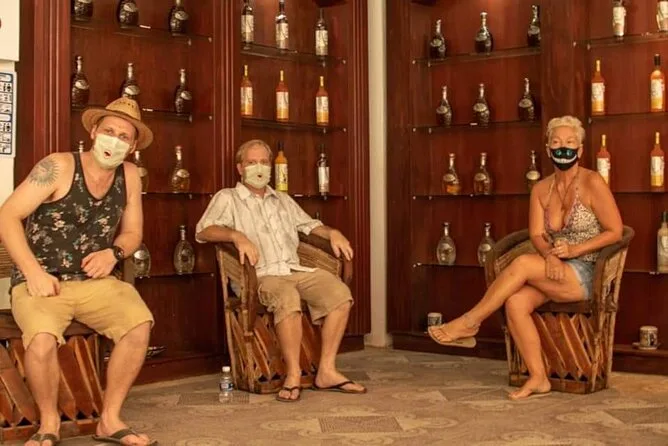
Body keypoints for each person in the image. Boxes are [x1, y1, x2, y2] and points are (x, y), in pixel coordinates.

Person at [428, 115, 623, 400]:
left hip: (586, 271)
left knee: (521, 263)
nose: (563, 148)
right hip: (553, 269)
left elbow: (616, 231)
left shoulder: (592, 182)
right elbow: (536, 235)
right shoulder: (541, 189)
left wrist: (574, 251)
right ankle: (538, 377)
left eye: (570, 142)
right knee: (515, 302)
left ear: (580, 149)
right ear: (547, 148)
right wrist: (550, 257)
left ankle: (470, 322)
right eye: (556, 142)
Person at [0, 97, 158, 446]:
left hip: (94, 282)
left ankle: (110, 419)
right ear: (93, 132)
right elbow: (7, 215)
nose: (114, 140)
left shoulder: (130, 175)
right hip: (42, 281)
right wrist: (33, 272)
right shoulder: (58, 166)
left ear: (133, 147)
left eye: (124, 136)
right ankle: (49, 424)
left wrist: (113, 253)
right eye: (109, 131)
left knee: (138, 323)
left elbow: (133, 233)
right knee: (41, 339)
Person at [196, 139, 366, 402]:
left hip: (293, 269)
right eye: (252, 162)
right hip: (260, 275)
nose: (259, 167)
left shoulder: (283, 200)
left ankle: (326, 371)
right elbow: (204, 231)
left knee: (339, 293)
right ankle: (293, 375)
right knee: (287, 296)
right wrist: (235, 235)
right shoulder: (228, 197)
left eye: (264, 162)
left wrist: (333, 233)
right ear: (240, 168)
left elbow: (309, 225)